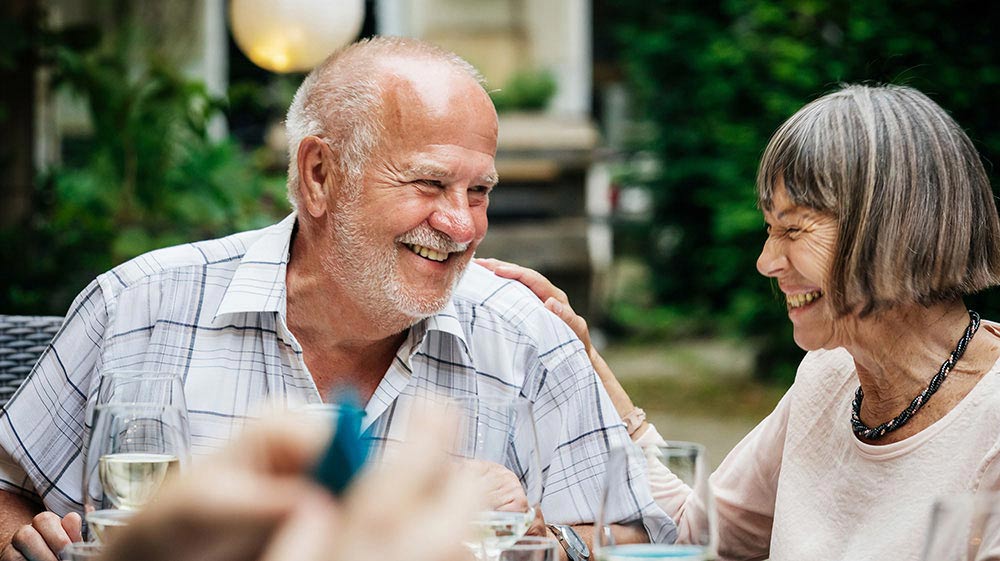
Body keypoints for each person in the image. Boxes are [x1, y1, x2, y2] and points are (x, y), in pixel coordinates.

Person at [0, 36, 672, 561]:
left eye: (480, 191)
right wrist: (22, 537)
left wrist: (536, 540)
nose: (463, 224)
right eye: (430, 183)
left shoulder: (527, 338)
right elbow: (8, 488)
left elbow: (637, 538)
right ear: (319, 174)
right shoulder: (137, 307)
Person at [479, 84, 1000, 560]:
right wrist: (589, 364)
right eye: (770, 228)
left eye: (793, 229)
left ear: (896, 226)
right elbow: (694, 533)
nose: (766, 261)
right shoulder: (829, 377)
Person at [97, 409, 487, 561]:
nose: (460, 226)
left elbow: (548, 540)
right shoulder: (129, 300)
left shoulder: (525, 332)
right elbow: (32, 503)